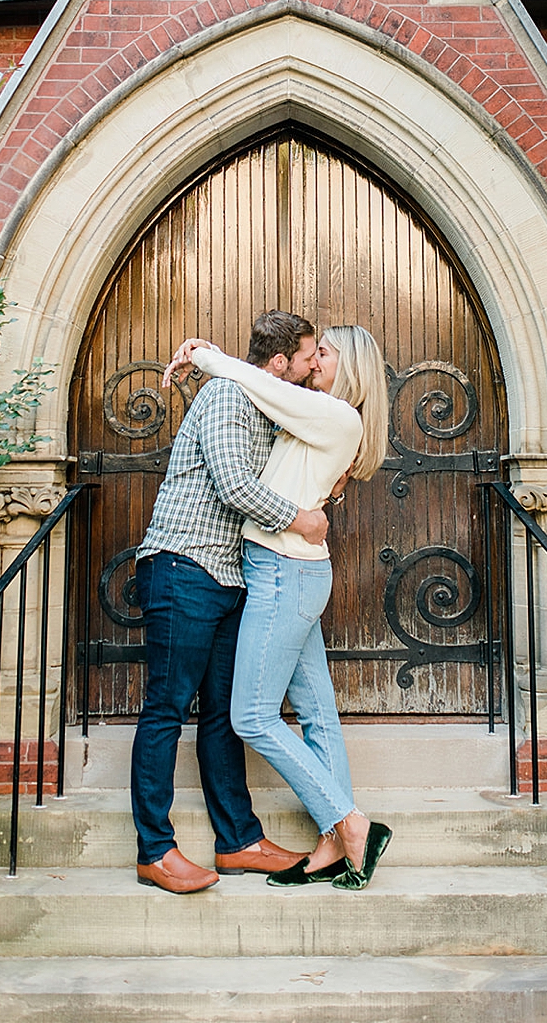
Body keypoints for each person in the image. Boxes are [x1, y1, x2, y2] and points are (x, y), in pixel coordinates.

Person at [163, 325, 392, 891]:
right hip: (289, 569)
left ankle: (349, 821)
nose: (315, 361)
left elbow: (252, 378)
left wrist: (207, 353)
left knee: (251, 717)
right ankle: (336, 841)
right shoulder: (318, 413)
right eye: (314, 351)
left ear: (353, 367)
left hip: (285, 571)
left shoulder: (337, 416)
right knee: (317, 712)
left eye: (326, 353)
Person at [130, 310, 331, 894]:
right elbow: (234, 484)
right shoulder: (226, 397)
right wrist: (300, 519)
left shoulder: (267, 404)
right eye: (307, 356)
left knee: (224, 715)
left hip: (229, 577)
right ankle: (155, 851)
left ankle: (239, 841)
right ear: (278, 364)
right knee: (166, 708)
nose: (313, 363)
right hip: (182, 566)